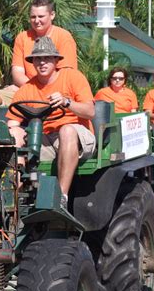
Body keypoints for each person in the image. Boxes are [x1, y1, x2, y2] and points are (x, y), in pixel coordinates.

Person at [6, 37, 95, 209]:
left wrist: (67, 102)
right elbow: (13, 122)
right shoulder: (27, 89)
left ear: (56, 60)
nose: (42, 62)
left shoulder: (72, 77)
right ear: (32, 62)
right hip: (45, 140)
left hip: (78, 138)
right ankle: (11, 201)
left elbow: (90, 112)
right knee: (12, 136)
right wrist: (15, 132)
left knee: (67, 131)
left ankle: (61, 197)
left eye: (47, 58)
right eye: (38, 58)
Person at [0, 0, 78, 106]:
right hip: (27, 88)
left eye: (41, 16)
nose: (36, 21)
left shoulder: (64, 37)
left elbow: (67, 75)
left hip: (56, 93)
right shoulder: (22, 37)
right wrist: (33, 90)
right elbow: (17, 73)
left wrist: (43, 91)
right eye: (33, 17)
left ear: (52, 15)